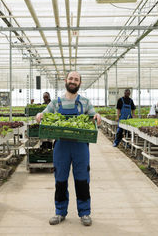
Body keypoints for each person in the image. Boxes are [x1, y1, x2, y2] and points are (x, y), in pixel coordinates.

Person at [36, 71, 101, 227]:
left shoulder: (85, 102)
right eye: (71, 78)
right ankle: (60, 212)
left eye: (76, 79)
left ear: (79, 83)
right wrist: (39, 115)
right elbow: (43, 115)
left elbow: (94, 116)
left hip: (80, 146)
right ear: (66, 81)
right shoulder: (55, 103)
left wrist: (97, 116)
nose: (73, 81)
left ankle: (84, 213)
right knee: (60, 180)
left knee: (82, 180)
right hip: (61, 146)